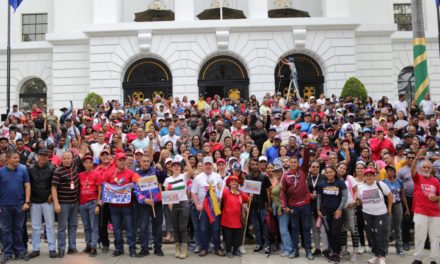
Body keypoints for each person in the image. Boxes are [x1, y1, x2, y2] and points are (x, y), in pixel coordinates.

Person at [280, 145, 314, 260]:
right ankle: (295, 250)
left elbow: (306, 159)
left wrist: (306, 147)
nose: (293, 164)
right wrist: (284, 206)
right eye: (292, 162)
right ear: (289, 163)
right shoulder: (285, 176)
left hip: (305, 204)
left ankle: (308, 250)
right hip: (293, 206)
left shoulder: (303, 171)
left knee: (306, 227)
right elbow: (283, 192)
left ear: (298, 163)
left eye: (295, 162)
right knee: (294, 228)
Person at [103, 153, 137, 257]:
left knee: (129, 228)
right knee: (117, 229)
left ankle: (132, 248)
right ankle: (119, 248)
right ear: (116, 161)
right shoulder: (109, 173)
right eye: (120, 160)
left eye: (124, 160)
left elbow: (138, 183)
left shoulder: (131, 173)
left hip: (127, 206)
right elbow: (105, 186)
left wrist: (133, 185)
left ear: (126, 161)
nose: (122, 162)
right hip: (114, 206)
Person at [0, 151, 31, 264]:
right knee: (6, 230)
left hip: (20, 205)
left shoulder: (23, 170)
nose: (18, 160)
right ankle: (7, 253)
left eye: (18, 158)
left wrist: (27, 202)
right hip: (4, 206)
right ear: (7, 159)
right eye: (15, 158)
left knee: (19, 230)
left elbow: (27, 186)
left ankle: (19, 252)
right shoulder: (1, 172)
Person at [357, 167, 393, 264]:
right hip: (367, 214)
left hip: (380, 214)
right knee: (371, 236)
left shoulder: (380, 184)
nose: (369, 177)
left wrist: (389, 208)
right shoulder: (360, 187)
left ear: (374, 176)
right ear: (364, 177)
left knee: (381, 235)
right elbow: (359, 200)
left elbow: (390, 195)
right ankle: (376, 255)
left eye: (371, 175)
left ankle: (382, 256)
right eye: (367, 175)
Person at [410, 149, 440, 264]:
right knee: (419, 236)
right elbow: (412, 169)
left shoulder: (436, 181)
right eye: (424, 167)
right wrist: (418, 155)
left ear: (431, 169)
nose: (426, 169)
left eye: (428, 167)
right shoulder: (418, 178)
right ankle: (418, 258)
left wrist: (436, 198)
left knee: (435, 237)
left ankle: (433, 259)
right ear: (421, 168)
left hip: (435, 214)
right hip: (420, 212)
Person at [132, 155, 165, 257]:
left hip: (157, 203)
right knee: (143, 227)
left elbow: (164, 179)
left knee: (158, 226)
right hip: (144, 204)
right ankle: (144, 249)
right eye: (144, 161)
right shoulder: (136, 174)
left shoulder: (155, 171)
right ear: (140, 163)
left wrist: (161, 169)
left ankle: (158, 248)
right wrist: (144, 200)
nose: (146, 163)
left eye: (147, 161)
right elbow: (136, 191)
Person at [191, 156, 225, 257]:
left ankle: (217, 248)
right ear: (203, 165)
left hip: (214, 207)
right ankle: (205, 248)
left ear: (212, 165)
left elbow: (221, 191)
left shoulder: (217, 177)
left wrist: (219, 202)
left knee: (215, 228)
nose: (208, 166)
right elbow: (193, 193)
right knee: (203, 228)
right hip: (203, 207)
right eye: (206, 164)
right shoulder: (198, 178)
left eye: (209, 164)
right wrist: (197, 204)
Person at [52, 151, 83, 258]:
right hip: (63, 203)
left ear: (71, 158)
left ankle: (72, 247)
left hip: (74, 202)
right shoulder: (58, 171)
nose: (66, 160)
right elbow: (54, 188)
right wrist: (56, 204)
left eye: (68, 158)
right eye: (64, 158)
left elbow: (82, 154)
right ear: (61, 159)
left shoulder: (74, 164)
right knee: (62, 227)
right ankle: (61, 249)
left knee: (73, 226)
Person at [27, 149, 58, 259]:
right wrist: (28, 199)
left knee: (49, 226)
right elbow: (27, 184)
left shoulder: (52, 168)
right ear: (37, 156)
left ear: (48, 156)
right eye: (41, 155)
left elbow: (55, 183)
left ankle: (52, 249)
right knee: (35, 227)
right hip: (35, 202)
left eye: (45, 155)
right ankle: (35, 249)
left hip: (47, 201)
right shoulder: (30, 169)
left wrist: (51, 195)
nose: (43, 157)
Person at [163, 155, 192, 259]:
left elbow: (191, 171)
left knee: (183, 227)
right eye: (174, 165)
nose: (176, 167)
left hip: (183, 203)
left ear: (180, 167)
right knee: (175, 227)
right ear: (171, 167)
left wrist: (186, 159)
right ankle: (177, 246)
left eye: (178, 165)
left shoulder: (183, 176)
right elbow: (166, 192)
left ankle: (184, 248)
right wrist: (169, 203)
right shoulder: (167, 179)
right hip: (173, 204)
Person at [317, 165, 348, 263]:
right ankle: (333, 253)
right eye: (327, 172)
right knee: (329, 233)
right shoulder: (322, 184)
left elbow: (344, 197)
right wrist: (318, 209)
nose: (329, 174)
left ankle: (337, 253)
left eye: (331, 172)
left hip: (337, 212)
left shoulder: (340, 183)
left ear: (334, 172)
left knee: (335, 233)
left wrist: (339, 209)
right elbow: (319, 198)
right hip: (325, 213)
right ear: (325, 174)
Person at [246, 158, 272, 254]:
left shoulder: (264, 177)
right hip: (253, 205)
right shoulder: (248, 176)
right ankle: (259, 244)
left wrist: (269, 204)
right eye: (253, 164)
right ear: (250, 166)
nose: (255, 166)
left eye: (256, 164)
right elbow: (247, 192)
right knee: (256, 226)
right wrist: (249, 196)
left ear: (259, 165)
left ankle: (267, 245)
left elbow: (268, 191)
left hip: (263, 205)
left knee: (265, 226)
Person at [383, 165, 409, 256]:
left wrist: (407, 208)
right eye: (387, 171)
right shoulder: (383, 182)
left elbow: (403, 196)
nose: (389, 172)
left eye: (391, 170)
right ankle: (385, 248)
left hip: (398, 205)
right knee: (387, 228)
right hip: (387, 206)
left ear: (395, 172)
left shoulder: (399, 182)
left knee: (398, 228)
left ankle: (399, 248)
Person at [78, 155, 101, 257]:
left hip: (92, 202)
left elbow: (100, 190)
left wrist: (97, 205)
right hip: (82, 203)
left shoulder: (96, 174)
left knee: (93, 225)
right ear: (83, 164)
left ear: (92, 164)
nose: (88, 164)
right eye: (86, 162)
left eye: (90, 162)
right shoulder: (80, 175)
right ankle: (88, 244)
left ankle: (93, 246)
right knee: (86, 226)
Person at [221, 175, 250, 258]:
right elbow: (219, 199)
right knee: (228, 237)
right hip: (227, 219)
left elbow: (248, 200)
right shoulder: (225, 192)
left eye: (236, 181)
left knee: (237, 237)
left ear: (238, 183)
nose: (234, 182)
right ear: (229, 183)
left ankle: (235, 250)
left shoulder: (241, 193)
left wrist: (250, 197)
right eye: (232, 181)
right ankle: (228, 251)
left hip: (237, 219)